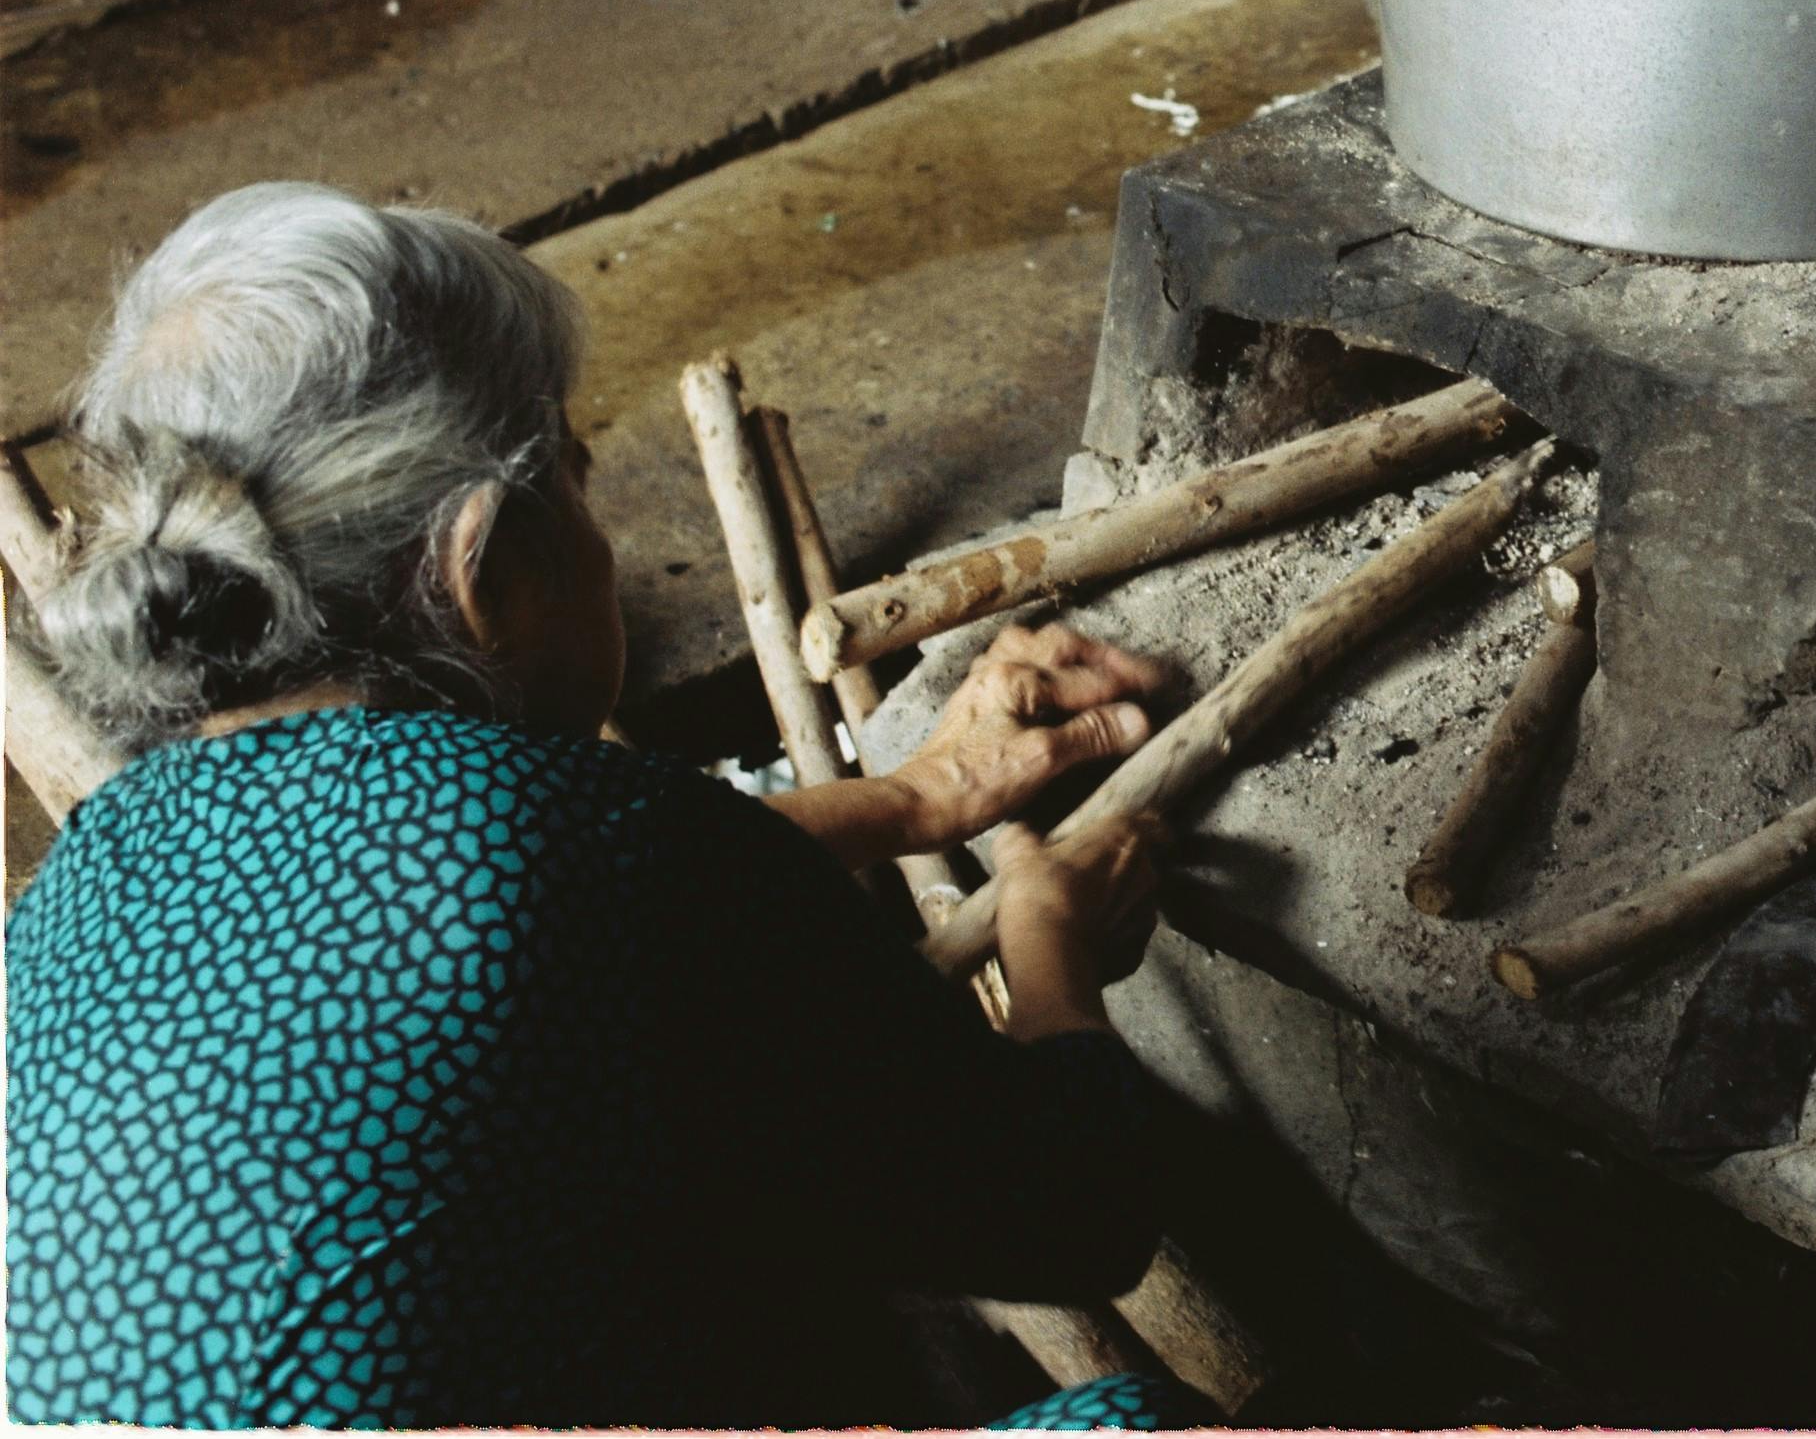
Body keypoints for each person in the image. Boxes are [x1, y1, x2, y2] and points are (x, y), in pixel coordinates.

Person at [6, 182, 1203, 1428]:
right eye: (577, 481)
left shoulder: (100, 864)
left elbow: (505, 924)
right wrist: (1049, 948)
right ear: (491, 568)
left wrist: (915, 798)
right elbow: (1076, 1211)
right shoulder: (591, 847)